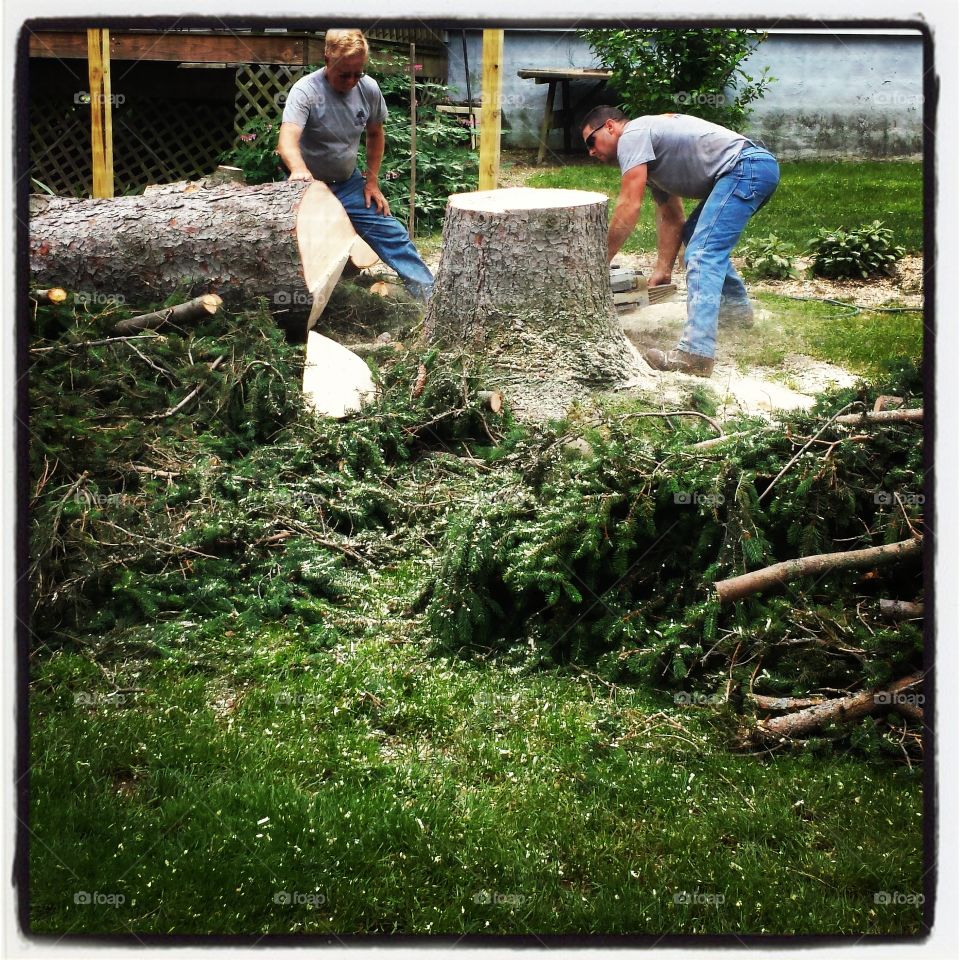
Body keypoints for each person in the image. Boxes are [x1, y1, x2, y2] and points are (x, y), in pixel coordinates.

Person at [580, 106, 780, 377]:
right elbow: (672, 218)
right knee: (699, 238)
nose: (591, 151)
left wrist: (599, 259)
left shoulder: (632, 135)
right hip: (750, 168)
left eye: (591, 141)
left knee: (703, 251)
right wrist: (663, 269)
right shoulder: (648, 158)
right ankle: (736, 315)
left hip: (746, 167)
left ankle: (696, 354)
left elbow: (629, 204)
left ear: (611, 126)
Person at [277, 29, 434, 302]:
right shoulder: (305, 91)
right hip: (308, 190)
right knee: (297, 252)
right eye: (344, 74)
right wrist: (299, 171)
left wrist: (371, 181)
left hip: (349, 185)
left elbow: (375, 134)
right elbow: (287, 140)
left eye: (357, 74)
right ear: (327, 59)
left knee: (393, 235)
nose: (351, 81)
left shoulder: (368, 88)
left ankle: (432, 298)